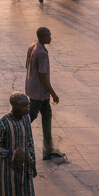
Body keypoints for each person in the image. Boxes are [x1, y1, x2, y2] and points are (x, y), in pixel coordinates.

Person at [26, 29, 65, 161]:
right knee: (30, 116)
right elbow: (43, 77)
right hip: (39, 92)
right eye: (49, 35)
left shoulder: (32, 46)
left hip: (32, 88)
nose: (51, 37)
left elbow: (28, 66)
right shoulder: (42, 53)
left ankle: (48, 149)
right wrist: (53, 94)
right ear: (42, 37)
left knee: (46, 115)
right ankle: (15, 135)